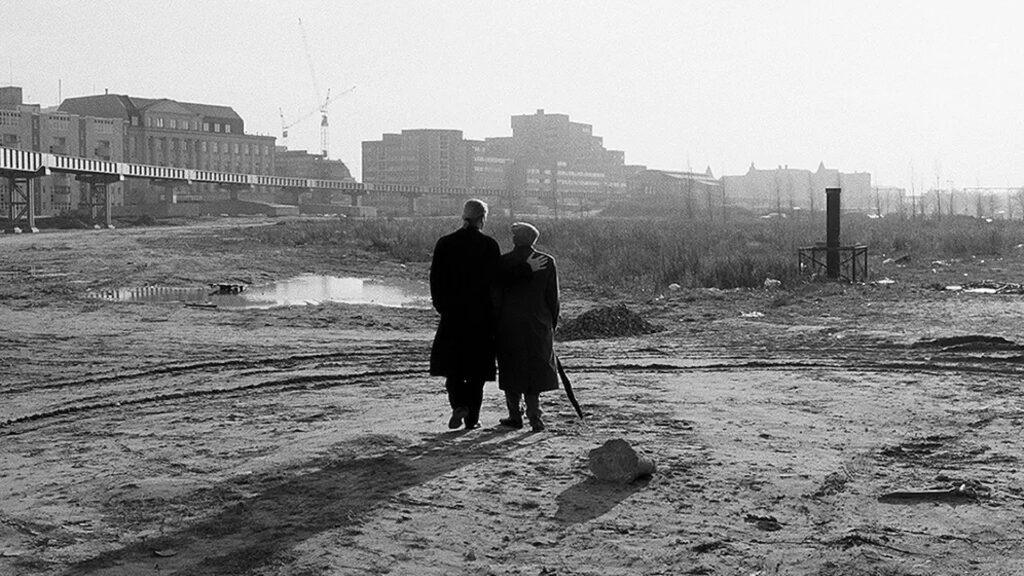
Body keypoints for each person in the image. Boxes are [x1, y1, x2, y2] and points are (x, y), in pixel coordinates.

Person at [429, 200, 546, 430]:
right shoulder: (488, 245)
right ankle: (472, 419)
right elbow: (500, 280)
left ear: (464, 216)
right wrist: (527, 269)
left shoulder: (445, 244)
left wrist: (443, 307)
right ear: (482, 218)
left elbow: (436, 280)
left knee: (454, 368)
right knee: (476, 371)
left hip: (453, 316)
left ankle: (457, 406)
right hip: (481, 318)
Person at [495, 221, 560, 432]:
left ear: (515, 239)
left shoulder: (503, 262)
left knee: (511, 368)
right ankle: (535, 417)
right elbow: (553, 297)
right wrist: (552, 322)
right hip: (538, 322)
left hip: (508, 324)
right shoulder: (547, 262)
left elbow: (495, 294)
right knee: (534, 368)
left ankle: (515, 415)